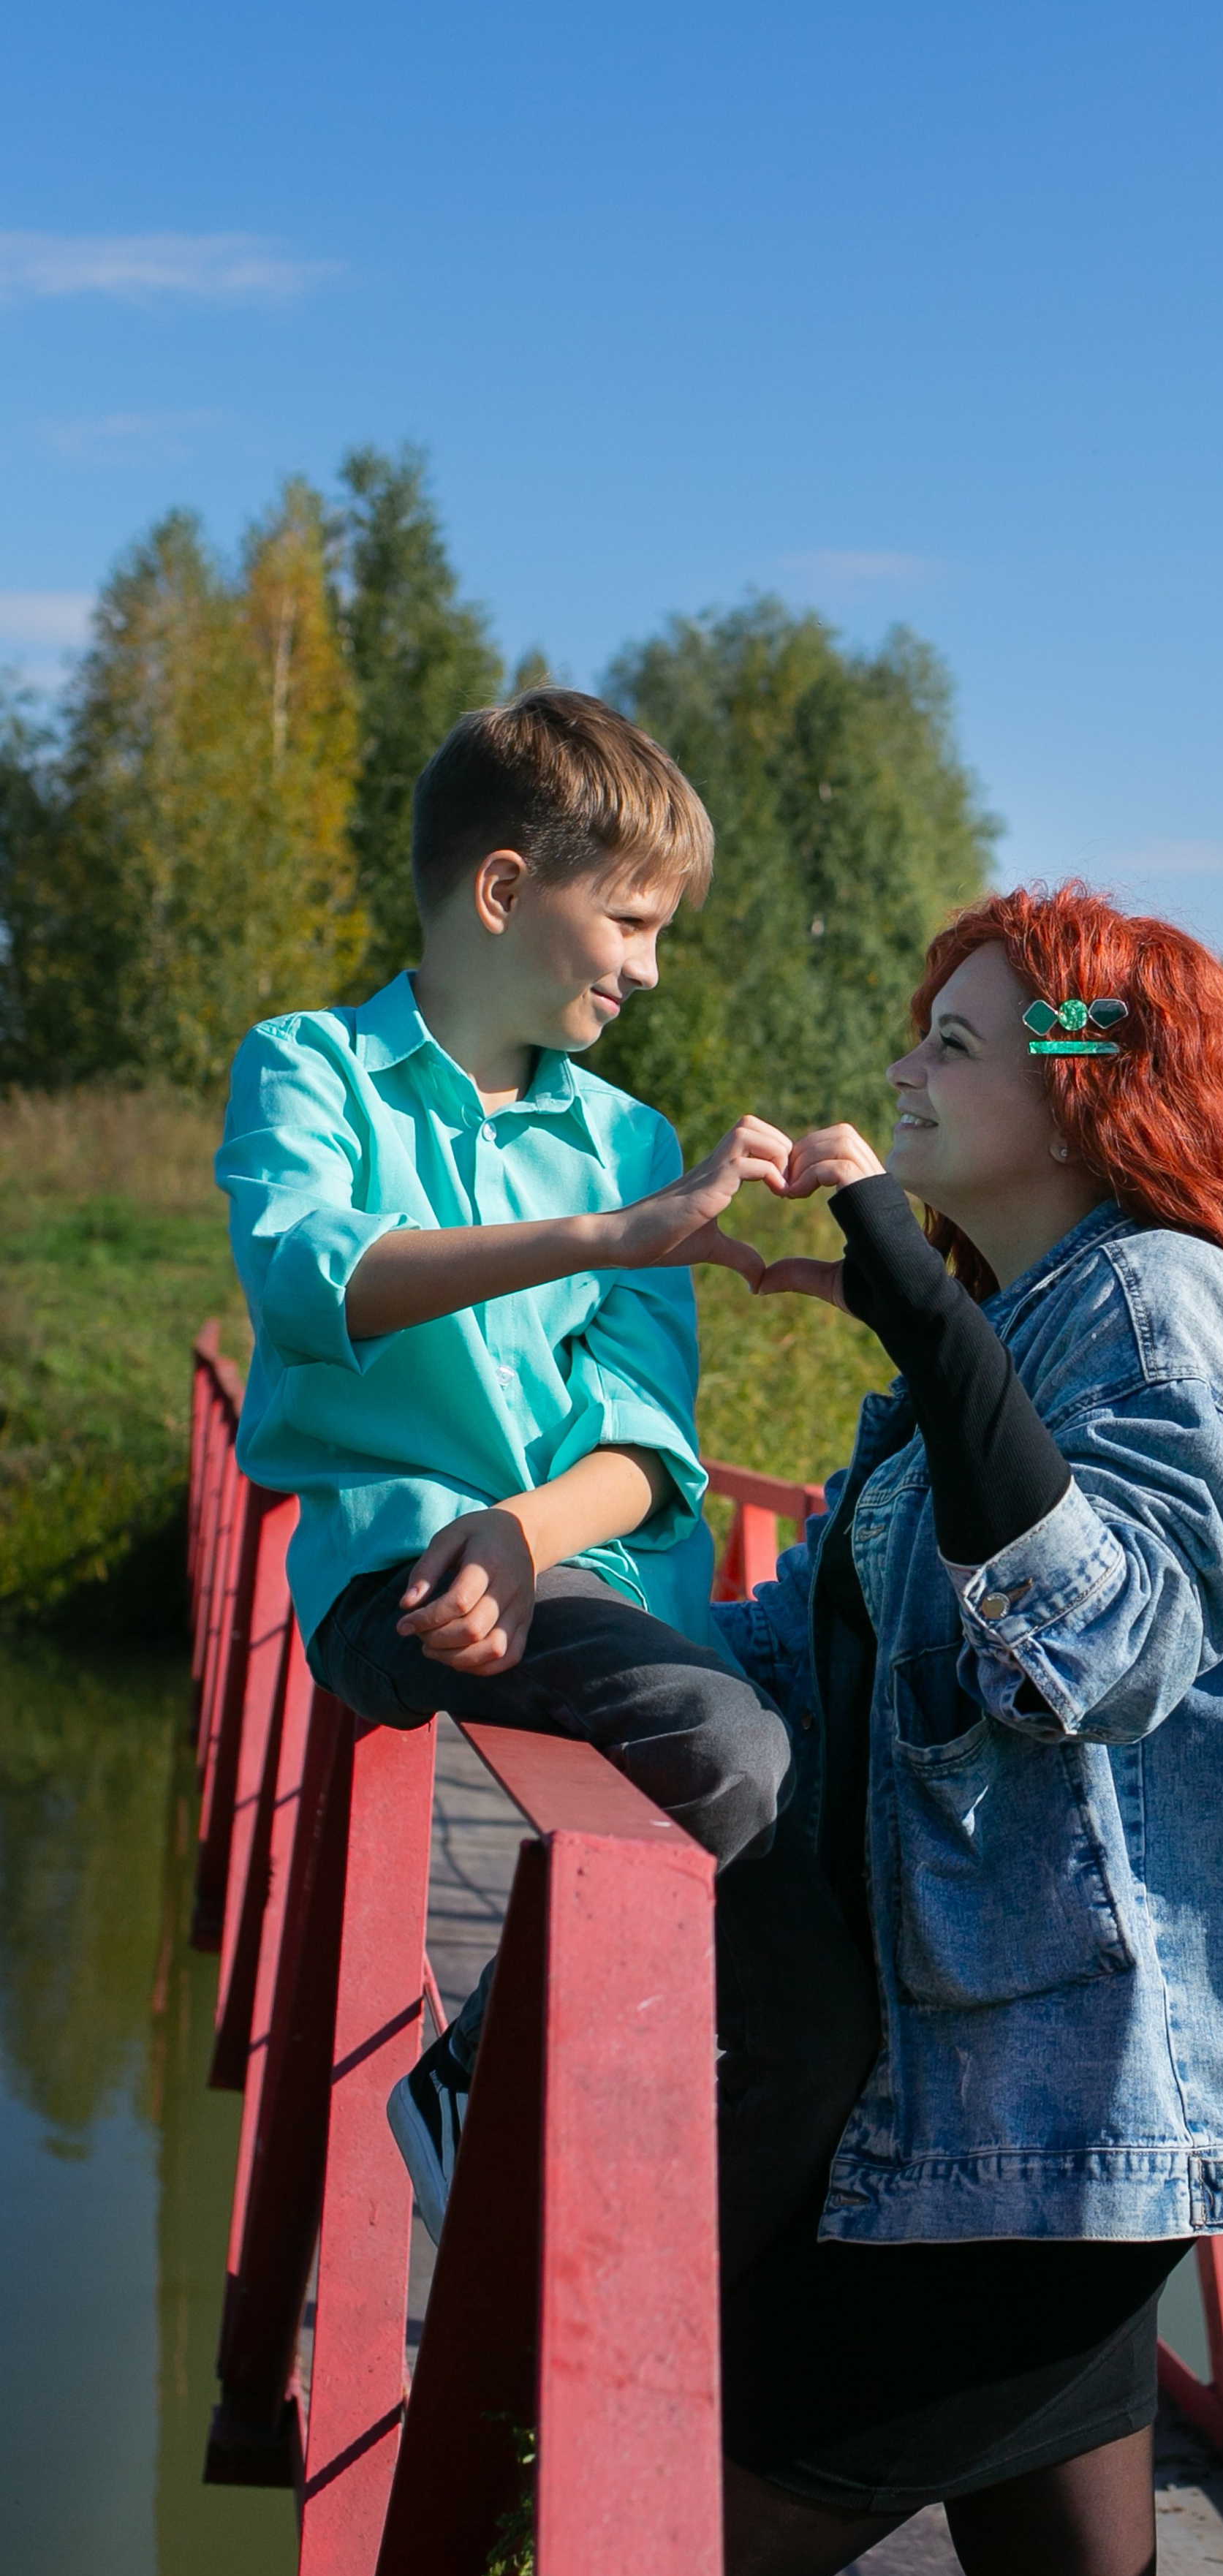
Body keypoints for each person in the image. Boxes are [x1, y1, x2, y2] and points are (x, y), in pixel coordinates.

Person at [713, 883, 1223, 2576]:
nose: (906, 1070)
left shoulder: (1156, 1311)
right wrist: (544, 1587)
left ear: (1091, 1083)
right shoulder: (1014, 1319)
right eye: (917, 1027)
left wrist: (915, 1304)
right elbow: (813, 1660)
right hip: (1013, 2108)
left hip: (1047, 2117)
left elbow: (1104, 1650)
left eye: (957, 1039)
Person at [213, 688, 841, 2248]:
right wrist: (602, 1242)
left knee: (822, 1808)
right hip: (391, 1577)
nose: (648, 966)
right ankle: (477, 2087)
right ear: (505, 891)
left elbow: (645, 1435)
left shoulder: (634, 1139)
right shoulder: (308, 1068)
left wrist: (517, 1529)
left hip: (565, 1571)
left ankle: (730, 2218)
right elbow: (312, 1280)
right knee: (734, 1749)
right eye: (628, 920)